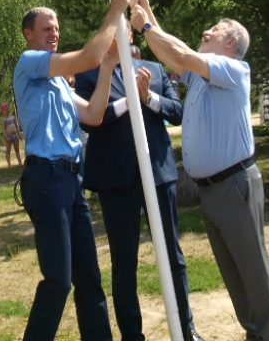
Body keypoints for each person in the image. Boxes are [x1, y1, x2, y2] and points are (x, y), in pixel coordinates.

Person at [130, 0, 269, 341]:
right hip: (212, 191)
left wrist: (145, 25)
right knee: (233, 272)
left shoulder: (232, 69)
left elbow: (180, 51)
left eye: (213, 29)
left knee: (253, 271)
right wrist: (149, 14)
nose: (205, 32)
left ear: (230, 42)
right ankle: (254, 333)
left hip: (234, 185)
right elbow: (172, 53)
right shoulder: (200, 73)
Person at [13, 0, 133, 341]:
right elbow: (88, 57)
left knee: (88, 278)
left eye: (57, 28)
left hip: (71, 183)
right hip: (46, 179)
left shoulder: (60, 85)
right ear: (29, 34)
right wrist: (114, 11)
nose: (55, 33)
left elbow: (94, 115)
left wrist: (109, 66)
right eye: (47, 29)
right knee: (58, 280)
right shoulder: (29, 62)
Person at [74, 35, 203, 341]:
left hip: (157, 175)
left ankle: (187, 328)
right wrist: (126, 102)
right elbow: (88, 120)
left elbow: (177, 110)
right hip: (116, 180)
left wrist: (148, 98)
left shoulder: (154, 70)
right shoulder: (90, 75)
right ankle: (132, 334)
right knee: (124, 259)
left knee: (173, 254)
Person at [0, 102, 22, 168]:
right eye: (5, 109)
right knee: (8, 150)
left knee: (17, 149)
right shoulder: (4, 120)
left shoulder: (13, 118)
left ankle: (20, 163)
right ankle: (9, 164)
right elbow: (4, 129)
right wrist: (6, 136)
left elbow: (16, 127)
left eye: (8, 109)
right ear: (2, 111)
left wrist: (19, 135)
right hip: (8, 136)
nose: (7, 110)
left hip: (15, 135)